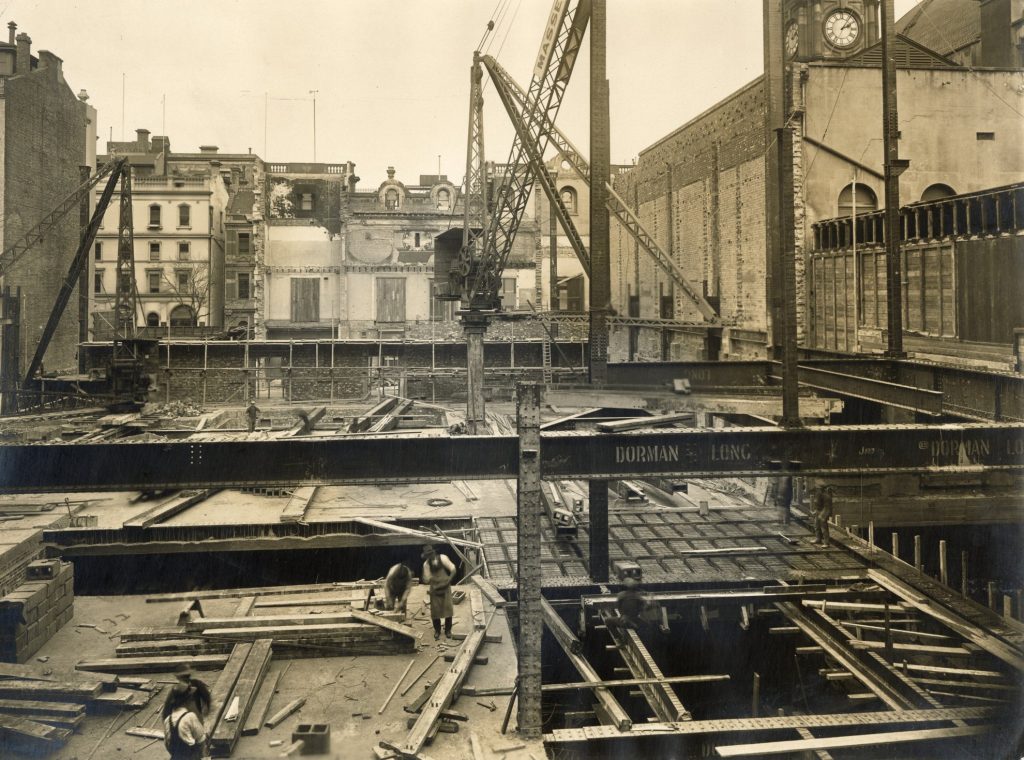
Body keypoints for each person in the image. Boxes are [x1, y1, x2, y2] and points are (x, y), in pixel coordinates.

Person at [162, 682, 209, 759]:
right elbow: (201, 741)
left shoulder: (168, 720)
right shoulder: (190, 717)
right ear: (187, 700)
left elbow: (168, 745)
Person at [422, 546, 455, 640]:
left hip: (445, 587)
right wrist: (428, 580)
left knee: (448, 609)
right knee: (435, 611)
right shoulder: (426, 564)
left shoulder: (443, 558)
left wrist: (448, 580)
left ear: (434, 553)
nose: (430, 556)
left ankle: (448, 630)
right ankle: (437, 630)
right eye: (428, 555)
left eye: (431, 554)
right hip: (435, 589)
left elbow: (453, 569)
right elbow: (427, 579)